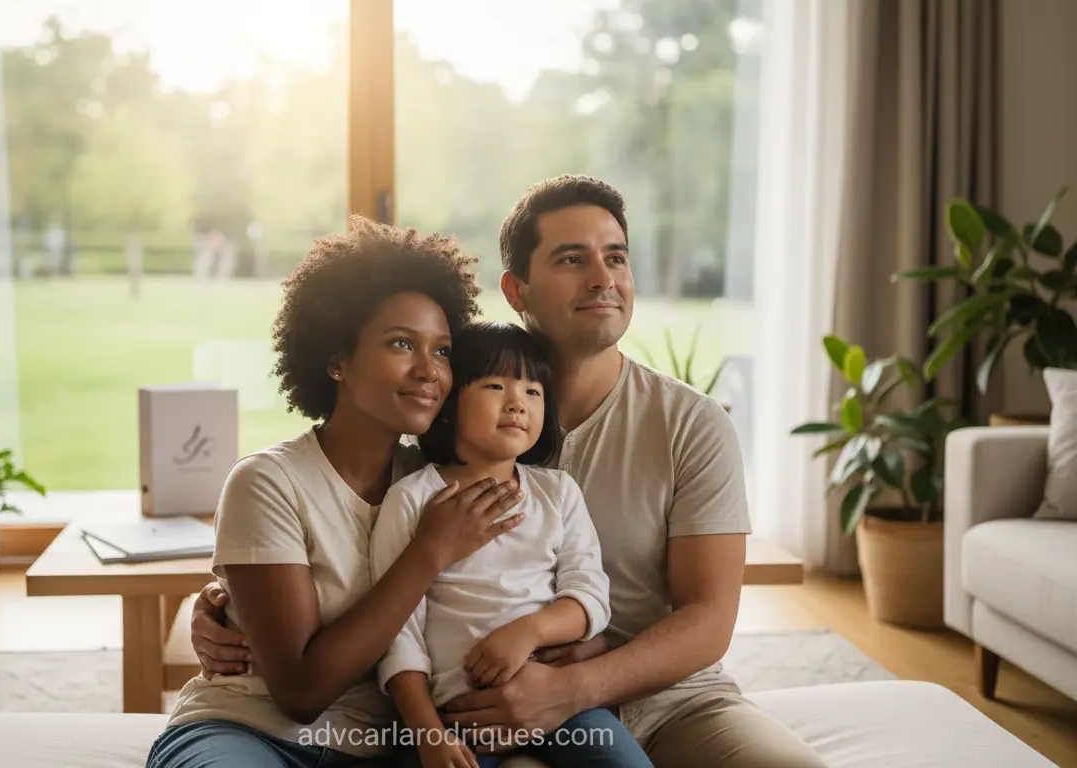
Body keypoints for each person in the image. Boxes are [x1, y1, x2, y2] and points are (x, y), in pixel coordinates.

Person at [190, 175, 828, 768]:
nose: (603, 277)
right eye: (573, 258)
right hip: (470, 710)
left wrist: (571, 686)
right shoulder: (436, 465)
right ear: (516, 290)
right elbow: (338, 591)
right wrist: (231, 604)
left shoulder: (688, 424)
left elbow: (709, 620)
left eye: (617, 256)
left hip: (653, 698)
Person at [148, 218, 528, 768]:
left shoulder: (443, 482)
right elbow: (300, 693)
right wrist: (428, 551)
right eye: (401, 343)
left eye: (443, 351)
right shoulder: (267, 482)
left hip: (382, 746)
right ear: (336, 360)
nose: (430, 371)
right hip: (249, 731)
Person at [372, 322, 651, 768]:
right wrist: (428, 733)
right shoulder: (411, 498)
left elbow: (590, 595)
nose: (517, 402)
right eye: (496, 385)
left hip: (559, 708)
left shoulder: (558, 493)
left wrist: (528, 632)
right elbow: (396, 635)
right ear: (448, 403)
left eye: (534, 391)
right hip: (455, 717)